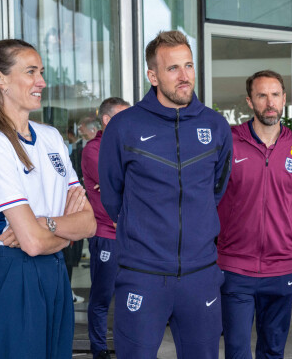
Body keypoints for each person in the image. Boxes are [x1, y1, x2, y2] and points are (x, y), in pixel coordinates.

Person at [98, 30, 233, 359]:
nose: (185, 76)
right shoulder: (124, 126)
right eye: (173, 68)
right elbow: (112, 195)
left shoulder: (215, 126)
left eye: (188, 65)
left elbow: (217, 188)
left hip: (200, 275)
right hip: (142, 275)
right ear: (153, 75)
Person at [0, 39, 96, 358]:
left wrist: (45, 225)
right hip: (13, 272)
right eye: (31, 72)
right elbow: (34, 243)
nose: (42, 81)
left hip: (53, 271)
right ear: (1, 79)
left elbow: (89, 223)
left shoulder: (51, 137)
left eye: (41, 71)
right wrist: (64, 234)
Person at [216, 70, 292, 358]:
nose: (269, 102)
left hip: (281, 267)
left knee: (273, 349)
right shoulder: (228, 144)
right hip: (235, 265)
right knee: (236, 350)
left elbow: (291, 201)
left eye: (275, 95)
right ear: (250, 101)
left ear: (284, 99)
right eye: (261, 95)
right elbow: (213, 196)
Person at [83, 97, 130, 359]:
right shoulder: (93, 149)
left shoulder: (129, 146)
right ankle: (99, 350)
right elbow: (121, 182)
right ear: (107, 120)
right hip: (107, 236)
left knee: (130, 299)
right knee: (102, 299)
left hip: (133, 236)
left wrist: (122, 181)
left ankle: (128, 349)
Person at [65, 115, 101, 304]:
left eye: (82, 129)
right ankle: (66, 291)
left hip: (97, 212)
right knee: (71, 251)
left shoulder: (98, 148)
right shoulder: (79, 150)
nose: (79, 132)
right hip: (78, 208)